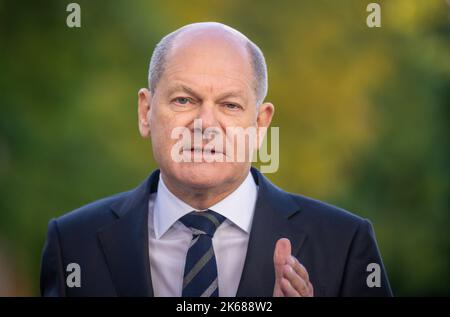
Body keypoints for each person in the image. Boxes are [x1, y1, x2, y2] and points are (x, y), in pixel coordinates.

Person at [40, 22, 392, 297]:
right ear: (146, 112)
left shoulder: (344, 244)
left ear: (259, 124)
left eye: (230, 105)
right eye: (183, 100)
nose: (205, 124)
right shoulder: (73, 243)